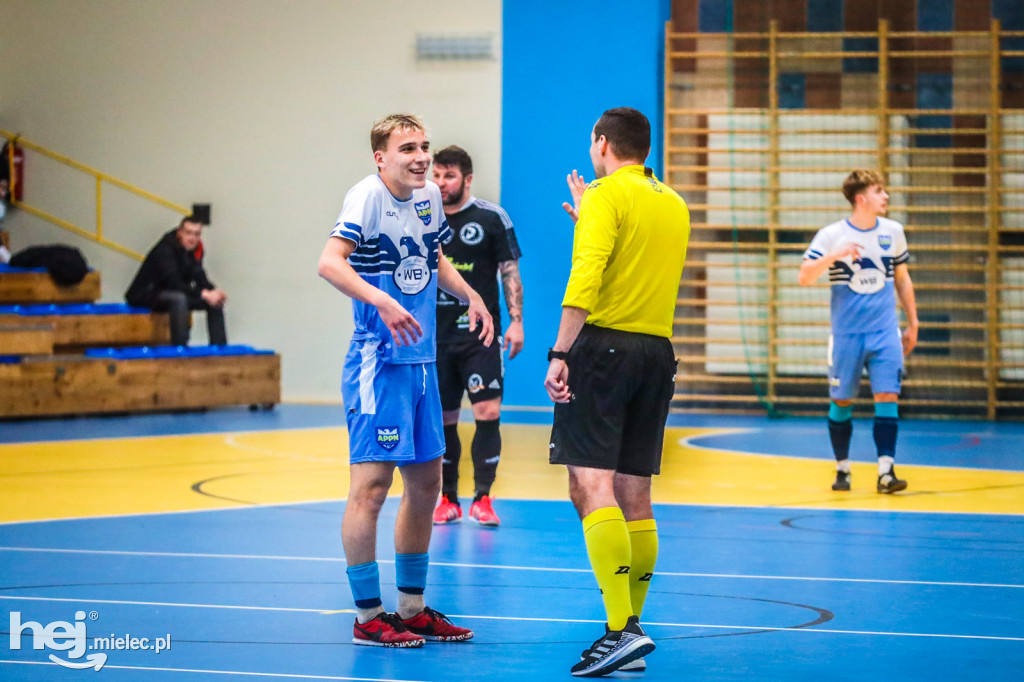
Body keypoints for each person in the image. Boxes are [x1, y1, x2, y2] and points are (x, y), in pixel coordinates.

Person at [317, 114, 494, 648]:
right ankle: (369, 616)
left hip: (422, 363)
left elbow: (434, 257)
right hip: (378, 363)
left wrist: (472, 295)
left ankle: (412, 609)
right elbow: (329, 263)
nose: (420, 158)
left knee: (425, 486)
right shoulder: (366, 198)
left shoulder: (429, 198)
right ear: (381, 157)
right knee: (371, 490)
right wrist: (381, 299)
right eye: (407, 148)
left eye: (424, 147)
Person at [545, 107, 690, 677]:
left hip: (603, 349)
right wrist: (591, 217)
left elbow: (589, 275)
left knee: (589, 482)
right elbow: (636, 261)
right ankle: (629, 633)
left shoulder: (607, 195)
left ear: (601, 143)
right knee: (634, 491)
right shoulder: (672, 201)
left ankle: (620, 630)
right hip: (656, 354)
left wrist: (560, 353)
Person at [798, 169, 919, 494]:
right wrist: (836, 255)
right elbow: (805, 276)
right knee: (842, 401)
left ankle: (886, 471)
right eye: (880, 191)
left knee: (888, 396)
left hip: (884, 333)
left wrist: (913, 322)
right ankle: (843, 468)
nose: (886, 196)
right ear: (861, 198)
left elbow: (903, 279)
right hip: (847, 336)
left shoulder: (893, 231)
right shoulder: (831, 234)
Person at [430, 145, 524, 527]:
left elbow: (510, 272)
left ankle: (483, 497)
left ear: (467, 179)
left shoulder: (491, 217)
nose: (440, 183)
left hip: (481, 335)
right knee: (444, 417)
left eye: (448, 176)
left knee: (488, 410)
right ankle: (447, 498)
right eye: (436, 175)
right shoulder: (422, 215)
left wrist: (516, 321)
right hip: (434, 337)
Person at [125, 216, 227, 346]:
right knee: (179, 299)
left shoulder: (192, 250)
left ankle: (220, 349)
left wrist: (214, 292)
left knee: (213, 302)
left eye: (196, 234)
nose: (192, 238)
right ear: (180, 232)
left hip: (171, 292)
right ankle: (180, 349)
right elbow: (174, 283)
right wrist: (203, 293)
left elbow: (199, 275)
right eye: (189, 233)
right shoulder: (165, 250)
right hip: (146, 293)